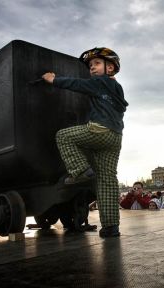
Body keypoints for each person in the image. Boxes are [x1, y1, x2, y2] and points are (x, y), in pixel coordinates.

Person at [42, 47, 128, 238]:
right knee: (107, 181)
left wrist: (53, 79)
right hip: (115, 137)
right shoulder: (117, 87)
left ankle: (80, 170)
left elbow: (76, 84)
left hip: (99, 130)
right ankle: (111, 227)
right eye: (90, 65)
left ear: (110, 68)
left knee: (63, 136)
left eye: (97, 63)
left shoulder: (99, 82)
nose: (92, 68)